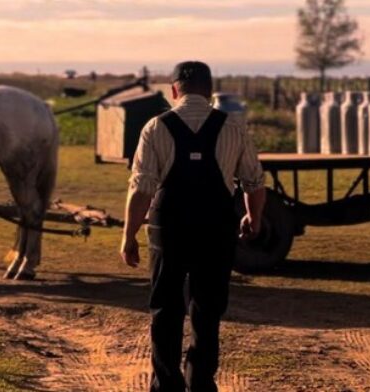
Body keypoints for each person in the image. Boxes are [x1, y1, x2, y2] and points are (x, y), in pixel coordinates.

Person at [120, 61, 266, 392]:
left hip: (168, 228)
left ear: (174, 91)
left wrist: (128, 236)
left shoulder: (155, 127)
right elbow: (254, 183)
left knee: (165, 307)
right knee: (207, 307)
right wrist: (253, 219)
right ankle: (200, 381)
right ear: (210, 91)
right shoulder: (233, 127)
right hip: (215, 228)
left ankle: (166, 384)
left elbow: (141, 188)